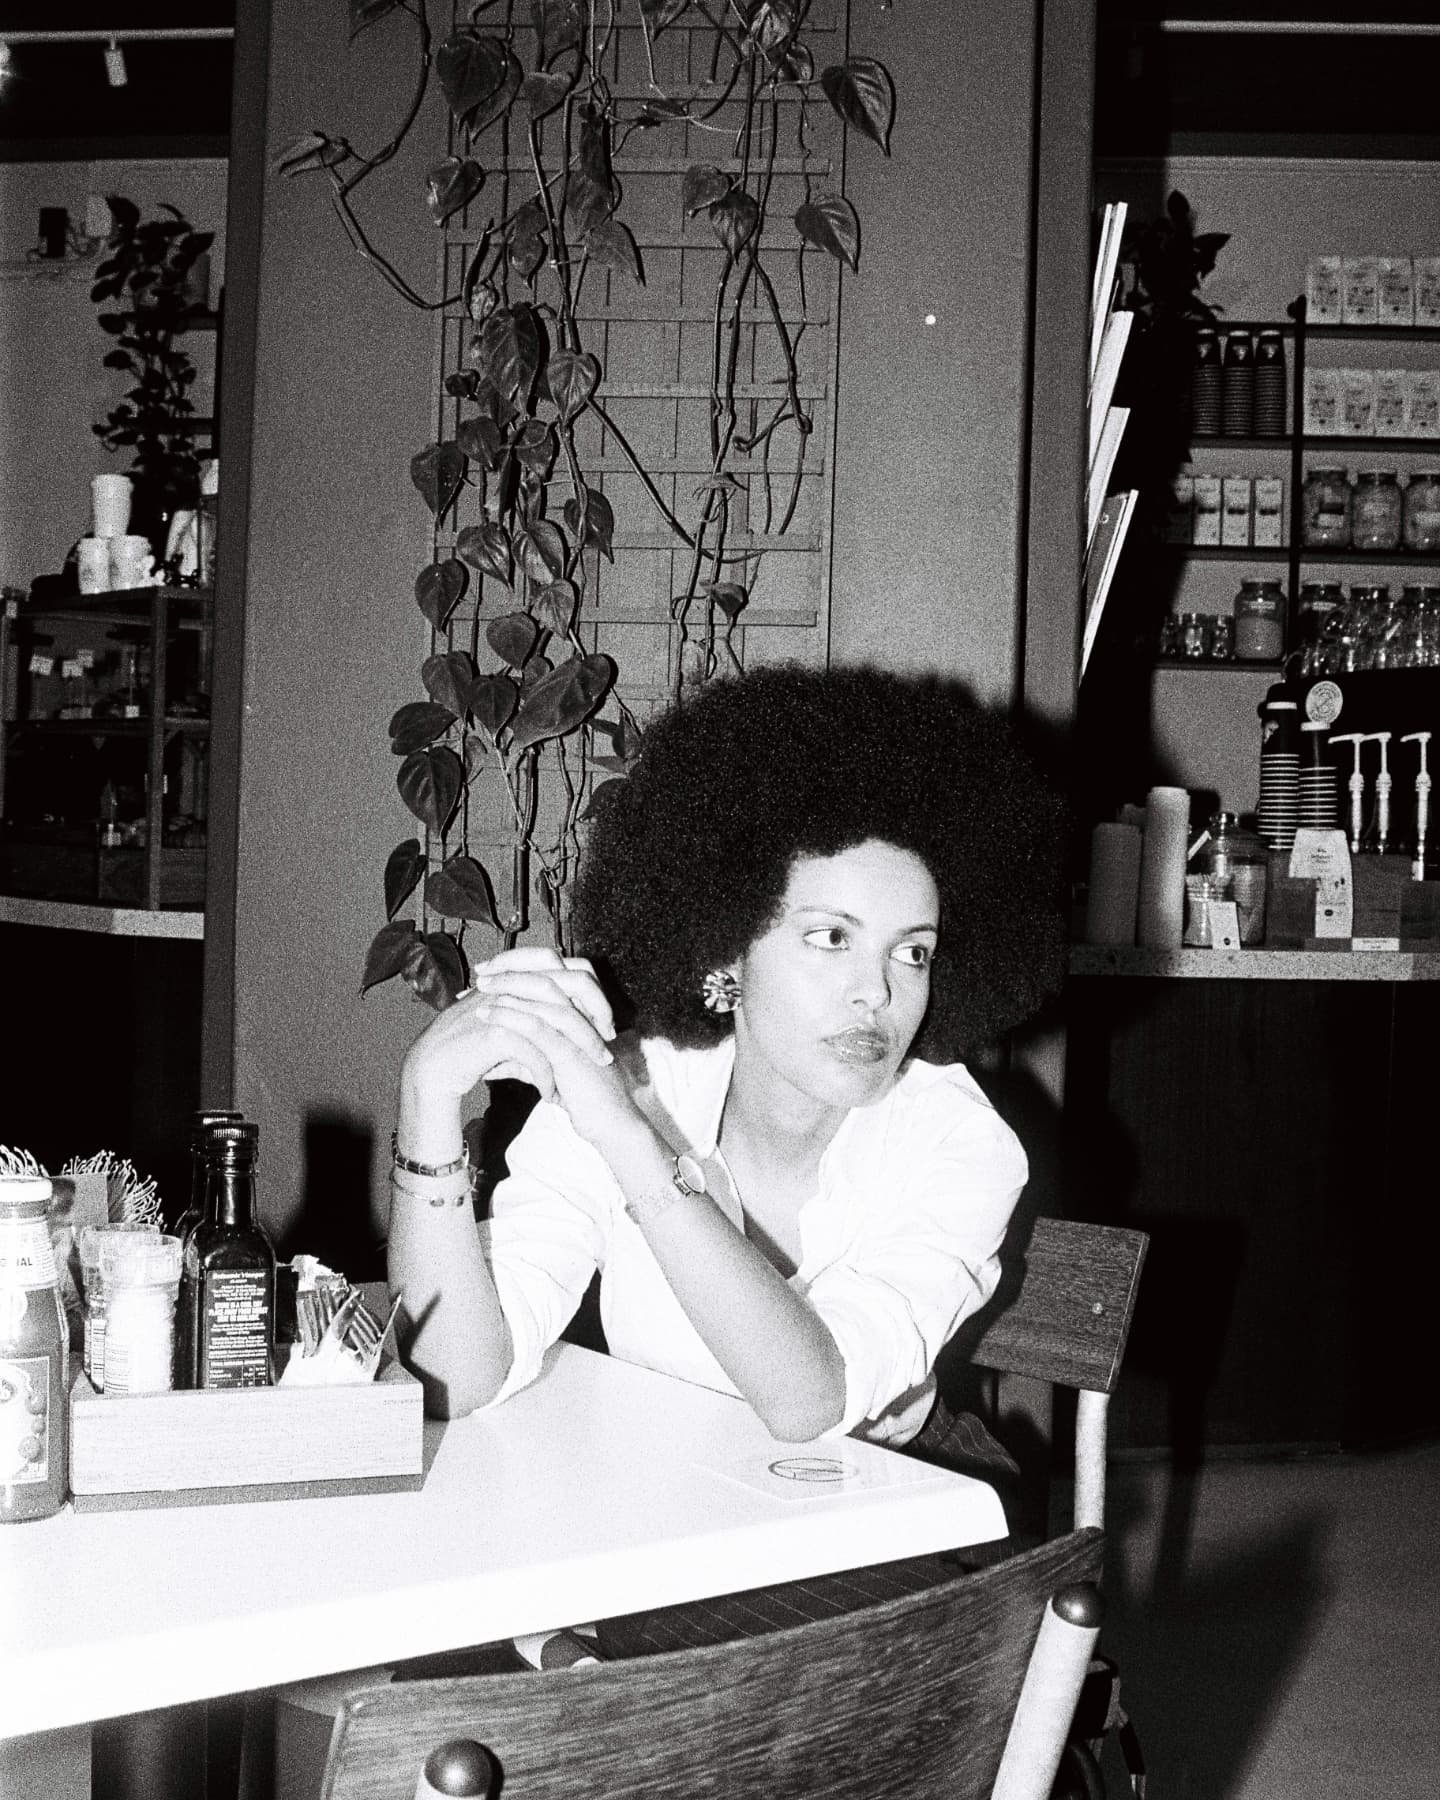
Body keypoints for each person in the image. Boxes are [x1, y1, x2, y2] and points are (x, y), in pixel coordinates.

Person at [388, 662, 1068, 1454]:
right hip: (676, 1490)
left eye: (912, 952)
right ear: (728, 950)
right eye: (830, 937)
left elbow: (812, 1402)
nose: (876, 992)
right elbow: (454, 1378)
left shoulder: (958, 1143)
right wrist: (427, 1100)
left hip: (895, 1497)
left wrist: (629, 1141)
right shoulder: (651, 1080)